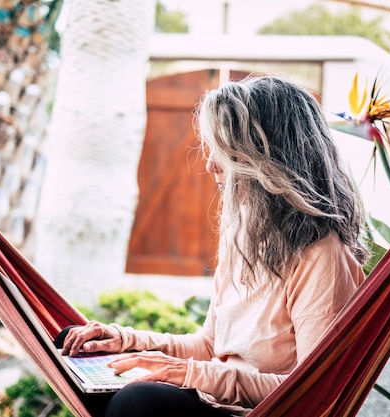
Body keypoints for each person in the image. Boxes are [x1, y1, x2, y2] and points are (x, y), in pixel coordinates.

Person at [58, 75, 369, 417]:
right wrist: (125, 341)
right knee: (77, 347)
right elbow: (210, 346)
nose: (210, 165)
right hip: (213, 404)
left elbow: (313, 392)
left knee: (137, 403)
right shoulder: (247, 236)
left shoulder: (321, 255)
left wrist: (189, 374)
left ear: (267, 160)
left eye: (226, 152)